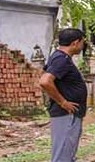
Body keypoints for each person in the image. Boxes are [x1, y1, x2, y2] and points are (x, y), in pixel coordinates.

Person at [38, 28, 88, 162]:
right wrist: (63, 102)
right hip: (66, 113)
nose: (83, 45)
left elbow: (42, 75)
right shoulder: (62, 59)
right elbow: (44, 81)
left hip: (67, 113)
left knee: (66, 152)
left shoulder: (57, 56)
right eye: (83, 42)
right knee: (63, 154)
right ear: (76, 43)